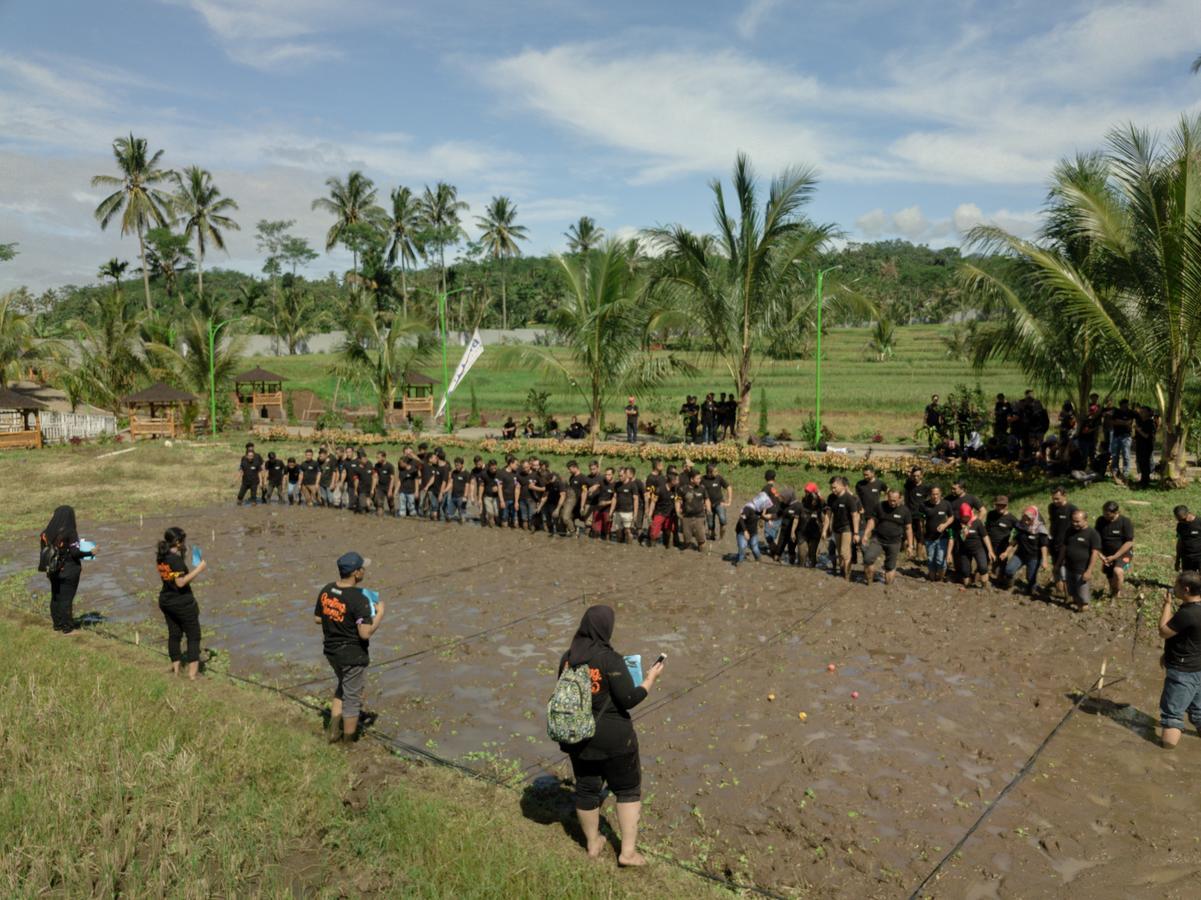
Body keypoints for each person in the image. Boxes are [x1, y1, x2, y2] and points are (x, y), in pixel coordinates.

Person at [556, 605, 664, 865]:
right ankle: (627, 853)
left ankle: (593, 844)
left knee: (587, 789)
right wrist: (649, 679)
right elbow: (628, 698)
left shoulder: (567, 658)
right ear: (606, 629)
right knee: (628, 789)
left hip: (578, 737)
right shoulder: (610, 659)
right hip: (615, 739)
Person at [314, 551, 384, 743]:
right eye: (363, 568)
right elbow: (365, 633)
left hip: (331, 652)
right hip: (352, 655)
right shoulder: (360, 599)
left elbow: (318, 618)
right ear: (356, 573)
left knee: (343, 689)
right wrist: (379, 613)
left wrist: (338, 617)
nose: (364, 571)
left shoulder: (327, 590)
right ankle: (348, 742)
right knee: (352, 698)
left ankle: (333, 731)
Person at [1157, 571, 1201, 749]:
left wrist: (1167, 605)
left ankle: (1164, 754)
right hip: (1198, 668)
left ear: (1186, 589)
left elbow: (1163, 631)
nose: (1173, 588)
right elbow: (1190, 637)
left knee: (1172, 716)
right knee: (1199, 712)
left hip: (1182, 672)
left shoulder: (1188, 614)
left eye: (1176, 586)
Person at [155, 526, 205, 679]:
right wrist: (200, 568)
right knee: (194, 635)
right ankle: (192, 675)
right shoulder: (175, 560)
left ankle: (176, 671)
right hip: (182, 603)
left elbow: (172, 574)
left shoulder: (162, 557)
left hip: (166, 601)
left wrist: (183, 554)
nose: (185, 543)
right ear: (177, 542)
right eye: (183, 541)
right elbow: (180, 582)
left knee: (174, 634)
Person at [39, 506, 94, 634]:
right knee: (67, 599)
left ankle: (57, 624)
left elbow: (44, 552)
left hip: (52, 570)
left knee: (56, 596)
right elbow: (75, 553)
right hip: (69, 570)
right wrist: (90, 552)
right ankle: (67, 627)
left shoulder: (45, 533)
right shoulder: (70, 532)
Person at [862, 489, 913, 586]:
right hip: (878, 539)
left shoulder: (905, 510)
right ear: (887, 497)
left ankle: (888, 588)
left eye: (894, 500)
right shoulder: (880, 506)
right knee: (868, 559)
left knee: (890, 566)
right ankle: (869, 583)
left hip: (894, 542)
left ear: (900, 498)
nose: (892, 502)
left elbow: (908, 528)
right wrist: (865, 534)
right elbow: (872, 521)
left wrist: (910, 545)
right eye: (890, 500)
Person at [1000, 507, 1050, 595]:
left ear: (1034, 518)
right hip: (1020, 555)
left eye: (1029, 520)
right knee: (1009, 570)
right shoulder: (1020, 526)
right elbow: (1014, 541)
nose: (1026, 522)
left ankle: (1032, 591)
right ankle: (1009, 584)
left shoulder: (1040, 530)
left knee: (1030, 578)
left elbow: (1044, 546)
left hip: (1034, 557)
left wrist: (1045, 560)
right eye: (1024, 519)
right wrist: (1006, 552)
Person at [1058, 509, 1101, 611]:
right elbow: (1064, 547)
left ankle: (1082, 613)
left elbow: (1095, 553)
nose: (1074, 523)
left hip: (1082, 570)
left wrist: (1089, 571)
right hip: (1069, 567)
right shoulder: (1070, 530)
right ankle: (1075, 608)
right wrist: (1058, 564)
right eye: (1073, 521)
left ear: (1085, 520)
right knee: (1072, 593)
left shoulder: (1092, 534)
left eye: (1077, 521)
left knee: (1083, 598)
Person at [821, 477, 861, 581]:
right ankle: (843, 571)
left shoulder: (849, 499)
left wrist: (856, 533)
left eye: (834, 487)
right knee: (840, 553)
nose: (832, 490)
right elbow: (828, 515)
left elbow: (855, 516)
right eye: (831, 487)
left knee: (844, 552)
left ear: (842, 486)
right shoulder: (831, 498)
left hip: (847, 528)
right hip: (836, 528)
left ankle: (847, 576)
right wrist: (825, 530)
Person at [1096, 500, 1134, 598]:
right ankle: (1113, 590)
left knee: (1117, 571)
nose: (1105, 516)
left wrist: (1115, 556)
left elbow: (1129, 542)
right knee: (1110, 576)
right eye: (1104, 513)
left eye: (1108, 514)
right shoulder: (1100, 521)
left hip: (1123, 553)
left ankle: (1117, 593)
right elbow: (1096, 539)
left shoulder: (1125, 522)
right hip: (1107, 554)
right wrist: (1101, 555)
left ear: (1116, 512)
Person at [1046, 487, 1078, 599]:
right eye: (1053, 499)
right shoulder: (1051, 507)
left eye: (1057, 499)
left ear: (1065, 496)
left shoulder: (1072, 510)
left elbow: (1077, 528)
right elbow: (1052, 523)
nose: (1055, 501)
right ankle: (1059, 590)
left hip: (1067, 545)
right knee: (1055, 567)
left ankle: (1068, 594)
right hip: (1054, 542)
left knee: (1064, 570)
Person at [952, 504, 994, 588]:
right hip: (964, 550)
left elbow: (985, 536)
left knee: (983, 567)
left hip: (978, 548)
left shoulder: (977, 522)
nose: (966, 519)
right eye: (964, 517)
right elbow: (952, 537)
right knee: (965, 571)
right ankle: (967, 586)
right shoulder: (957, 523)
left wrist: (990, 551)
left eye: (967, 516)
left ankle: (984, 587)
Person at [922, 486, 953, 581]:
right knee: (931, 560)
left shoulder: (946, 504)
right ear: (930, 494)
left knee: (940, 560)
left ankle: (940, 579)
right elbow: (921, 522)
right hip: (929, 538)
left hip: (942, 537)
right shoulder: (924, 505)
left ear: (940, 494)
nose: (935, 496)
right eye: (933, 494)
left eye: (937, 494)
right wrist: (921, 538)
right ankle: (932, 579)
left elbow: (951, 517)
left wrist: (945, 525)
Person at [734, 490, 773, 566]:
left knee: (754, 547)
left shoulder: (758, 510)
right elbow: (741, 519)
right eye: (764, 505)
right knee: (742, 546)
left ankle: (758, 559)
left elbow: (761, 516)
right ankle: (740, 561)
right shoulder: (748, 509)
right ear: (760, 503)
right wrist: (745, 531)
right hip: (742, 531)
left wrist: (768, 521)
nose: (764, 508)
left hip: (753, 532)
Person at [984, 496, 1018, 583]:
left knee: (1001, 568)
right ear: (995, 505)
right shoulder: (991, 514)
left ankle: (1002, 581)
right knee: (983, 565)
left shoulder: (1012, 519)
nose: (1000, 507)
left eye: (1003, 505)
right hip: (989, 544)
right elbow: (986, 528)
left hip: (1002, 546)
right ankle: (984, 580)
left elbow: (1019, 532)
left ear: (1007, 506)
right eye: (998, 505)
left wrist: (1011, 545)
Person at [676, 469, 711, 552]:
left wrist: (709, 509)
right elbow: (677, 500)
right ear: (692, 479)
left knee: (701, 542)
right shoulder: (682, 489)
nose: (700, 480)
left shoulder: (702, 488)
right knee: (687, 542)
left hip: (699, 517)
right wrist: (677, 511)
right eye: (698, 478)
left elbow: (707, 499)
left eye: (700, 478)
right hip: (686, 517)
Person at [701, 463, 731, 541]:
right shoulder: (702, 480)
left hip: (719, 503)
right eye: (715, 471)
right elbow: (698, 491)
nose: (717, 473)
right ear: (709, 472)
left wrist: (729, 500)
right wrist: (702, 503)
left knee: (723, 520)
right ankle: (712, 534)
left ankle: (721, 538)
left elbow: (729, 487)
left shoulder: (719, 478)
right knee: (710, 524)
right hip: (708, 505)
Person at [613, 468, 641, 543]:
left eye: (621, 476)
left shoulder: (632, 485)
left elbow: (636, 500)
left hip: (628, 512)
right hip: (618, 511)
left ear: (626, 474)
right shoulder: (617, 484)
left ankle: (629, 548)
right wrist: (611, 511)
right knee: (618, 531)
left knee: (628, 531)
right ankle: (620, 545)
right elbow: (614, 498)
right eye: (619, 476)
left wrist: (635, 514)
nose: (620, 477)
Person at [1109, 398, 1135, 481]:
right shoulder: (1116, 412)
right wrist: (1124, 423)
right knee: (1115, 455)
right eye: (1124, 405)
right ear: (1120, 406)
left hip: (1126, 436)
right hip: (1116, 436)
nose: (1125, 407)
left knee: (1126, 455)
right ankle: (1115, 472)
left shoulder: (1130, 412)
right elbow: (1113, 422)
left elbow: (1130, 422)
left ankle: (1125, 473)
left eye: (1127, 405)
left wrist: (1120, 422)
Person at [1134, 405, 1157, 488]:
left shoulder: (1150, 423)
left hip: (1146, 446)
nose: (1141, 413)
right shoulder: (1141, 421)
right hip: (1140, 445)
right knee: (1141, 463)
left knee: (1145, 463)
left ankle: (1145, 482)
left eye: (1143, 412)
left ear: (1148, 413)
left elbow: (1147, 436)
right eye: (1141, 412)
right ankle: (1142, 480)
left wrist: (1138, 430)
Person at [1175, 505, 1201, 573]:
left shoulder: (1199, 523)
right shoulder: (1180, 526)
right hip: (1187, 558)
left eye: (1183, 519)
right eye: (1179, 520)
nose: (1182, 521)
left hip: (1199, 556)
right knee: (1188, 580)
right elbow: (1179, 542)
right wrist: (1177, 560)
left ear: (1188, 513)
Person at [372, 451, 397, 517]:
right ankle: (380, 511)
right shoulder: (377, 465)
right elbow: (375, 477)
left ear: (384, 457)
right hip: (380, 487)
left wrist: (390, 490)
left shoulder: (390, 466)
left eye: (378, 458)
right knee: (378, 501)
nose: (377, 459)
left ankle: (393, 511)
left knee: (390, 501)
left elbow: (392, 479)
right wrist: (373, 488)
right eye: (376, 458)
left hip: (389, 486)